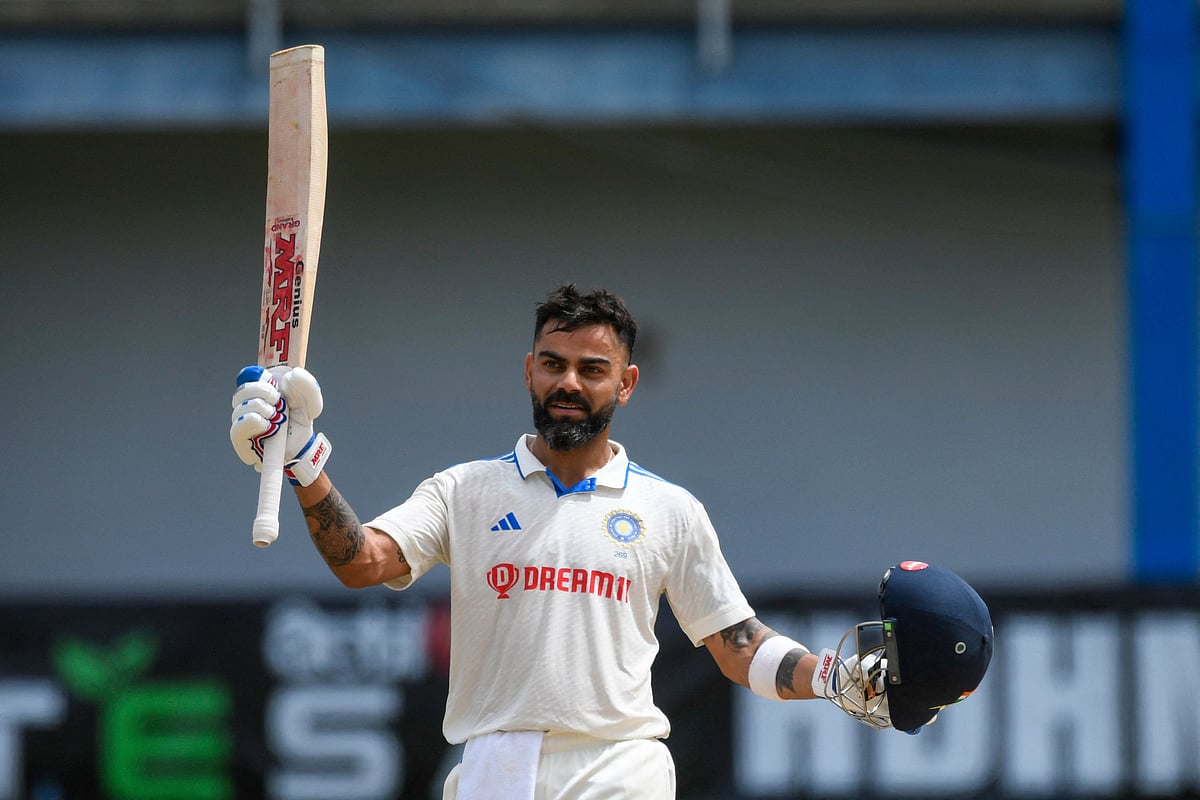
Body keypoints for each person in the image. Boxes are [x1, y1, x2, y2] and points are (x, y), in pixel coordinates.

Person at [230, 284, 991, 799]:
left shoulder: (670, 510)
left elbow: (736, 643)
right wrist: (302, 464)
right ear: (529, 372)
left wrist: (828, 675)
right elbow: (364, 561)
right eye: (554, 365)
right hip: (493, 769)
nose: (570, 382)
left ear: (624, 384)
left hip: (617, 770)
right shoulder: (464, 490)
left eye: (593, 370)